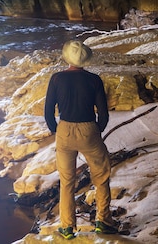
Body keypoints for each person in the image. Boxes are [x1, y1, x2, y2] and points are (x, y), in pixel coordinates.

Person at [44, 40, 117, 240]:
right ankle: (103, 222)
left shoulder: (57, 78)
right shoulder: (94, 80)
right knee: (101, 177)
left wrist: (55, 131)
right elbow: (103, 114)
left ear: (67, 57)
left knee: (67, 181)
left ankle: (67, 227)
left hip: (65, 130)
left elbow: (48, 111)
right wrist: (96, 131)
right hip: (89, 129)